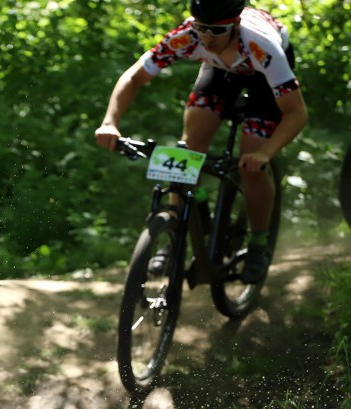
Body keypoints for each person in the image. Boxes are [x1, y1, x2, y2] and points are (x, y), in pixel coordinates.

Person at [95, 0, 308, 284]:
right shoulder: (188, 36)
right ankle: (177, 232)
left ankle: (258, 244)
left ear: (234, 24)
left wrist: (266, 153)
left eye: (216, 30)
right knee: (190, 148)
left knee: (250, 165)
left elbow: (296, 114)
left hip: (262, 79)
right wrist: (110, 122)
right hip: (219, 72)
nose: (206, 37)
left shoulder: (261, 45)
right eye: (201, 28)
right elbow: (134, 77)